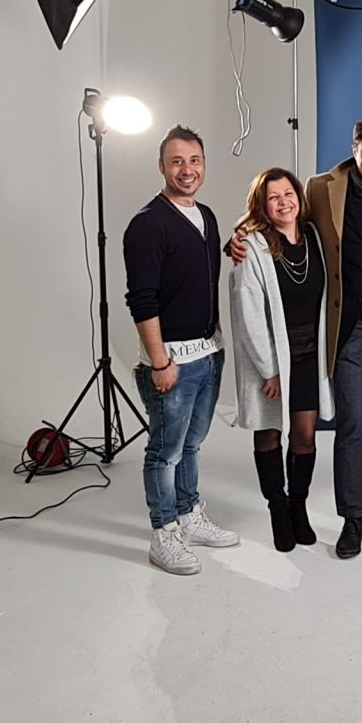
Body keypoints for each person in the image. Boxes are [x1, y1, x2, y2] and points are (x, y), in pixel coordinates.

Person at [228, 117, 362, 560]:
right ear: (354, 150)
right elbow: (280, 222)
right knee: (354, 422)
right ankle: (351, 519)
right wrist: (237, 239)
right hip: (345, 328)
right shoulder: (320, 188)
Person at [124, 126, 240, 575]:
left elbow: (198, 274)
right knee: (165, 451)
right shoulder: (147, 224)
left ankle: (189, 515)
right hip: (171, 361)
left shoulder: (206, 216)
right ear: (161, 166)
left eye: (194, 160)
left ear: (204, 165)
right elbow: (143, 300)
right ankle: (164, 533)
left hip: (209, 353)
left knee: (191, 444)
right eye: (176, 161)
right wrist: (159, 362)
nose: (187, 170)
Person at [227, 168, 327, 553]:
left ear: (299, 197)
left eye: (289, 194)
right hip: (269, 358)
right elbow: (248, 311)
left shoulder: (314, 236)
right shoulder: (251, 247)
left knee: (304, 435)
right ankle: (277, 509)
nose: (284, 202)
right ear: (262, 206)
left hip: (309, 356)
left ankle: (298, 505)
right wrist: (271, 369)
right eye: (273, 197)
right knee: (269, 431)